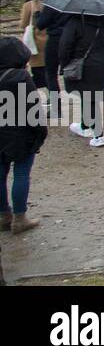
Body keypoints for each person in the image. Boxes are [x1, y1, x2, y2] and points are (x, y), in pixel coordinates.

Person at [0, 36, 47, 234]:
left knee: (0, 175)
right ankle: (20, 218)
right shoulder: (20, 77)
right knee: (21, 174)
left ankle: (3, 215)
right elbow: (33, 108)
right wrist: (40, 133)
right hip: (21, 134)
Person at [60, 11, 104, 148]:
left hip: (84, 65)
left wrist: (64, 64)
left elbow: (65, 46)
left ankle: (98, 135)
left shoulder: (75, 23)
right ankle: (85, 125)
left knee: (90, 98)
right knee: (89, 96)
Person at [34, 0, 68, 109]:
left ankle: (56, 107)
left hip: (55, 39)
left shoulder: (52, 1)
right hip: (71, 39)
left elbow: (42, 24)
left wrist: (37, 15)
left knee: (50, 73)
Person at [18, 0, 49, 91]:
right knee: (49, 69)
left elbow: (23, 24)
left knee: (38, 69)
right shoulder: (50, 1)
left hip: (35, 41)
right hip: (49, 39)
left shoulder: (29, 3)